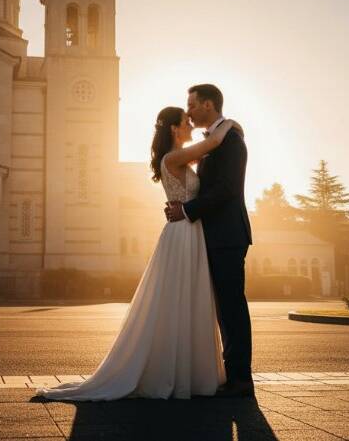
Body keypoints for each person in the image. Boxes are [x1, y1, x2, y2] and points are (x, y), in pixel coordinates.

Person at [36, 104, 242, 401]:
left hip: (189, 231)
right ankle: (175, 373)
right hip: (182, 233)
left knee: (187, 299)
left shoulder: (179, 158)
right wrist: (232, 124)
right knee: (178, 299)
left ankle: (189, 372)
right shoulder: (173, 157)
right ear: (173, 128)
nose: (190, 126)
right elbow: (212, 143)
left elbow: (209, 155)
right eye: (186, 122)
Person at [165, 83, 254, 397]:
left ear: (207, 104)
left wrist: (186, 209)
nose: (188, 110)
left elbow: (228, 188)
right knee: (222, 308)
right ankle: (231, 375)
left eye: (191, 103)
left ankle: (241, 379)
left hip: (228, 235)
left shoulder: (231, 139)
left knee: (231, 306)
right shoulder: (216, 140)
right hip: (212, 234)